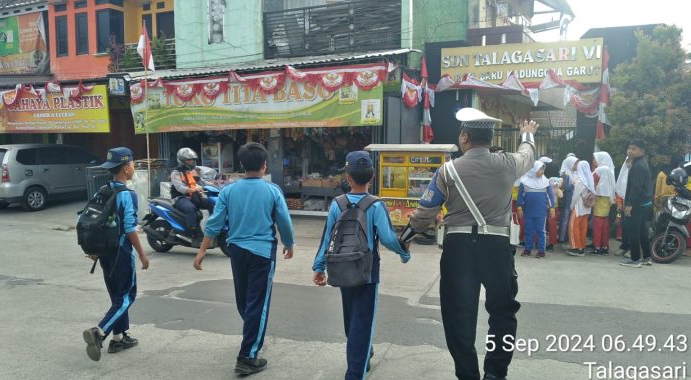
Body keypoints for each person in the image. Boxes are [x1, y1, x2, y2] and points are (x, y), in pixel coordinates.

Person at [403, 107, 538, 380]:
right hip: (497, 248)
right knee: (503, 313)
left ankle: (468, 375)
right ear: (489, 139)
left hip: (458, 248)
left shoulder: (448, 170)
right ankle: (495, 374)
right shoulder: (509, 164)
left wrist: (405, 238)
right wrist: (527, 135)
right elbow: (528, 155)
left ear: (464, 137)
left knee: (458, 317)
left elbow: (426, 211)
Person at [194, 142, 295, 375]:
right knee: (257, 304)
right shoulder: (272, 190)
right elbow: (284, 222)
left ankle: (251, 339)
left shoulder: (228, 191)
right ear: (264, 165)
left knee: (245, 301)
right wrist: (289, 244)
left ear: (241, 165)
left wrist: (202, 251)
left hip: (237, 251)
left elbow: (214, 223)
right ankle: (248, 356)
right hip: (262, 253)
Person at [312, 151, 411, 380]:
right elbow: (387, 238)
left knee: (351, 319)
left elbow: (327, 238)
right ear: (372, 176)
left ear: (348, 177)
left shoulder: (337, 204)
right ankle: (355, 373)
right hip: (367, 271)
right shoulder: (375, 205)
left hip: (341, 267)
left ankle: (362, 354)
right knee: (362, 322)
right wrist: (404, 253)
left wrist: (319, 268)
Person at [83, 147, 150, 362]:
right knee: (127, 296)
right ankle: (100, 332)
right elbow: (130, 228)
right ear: (124, 168)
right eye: (131, 164)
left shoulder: (102, 190)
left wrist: (93, 249)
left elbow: (89, 220)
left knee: (116, 295)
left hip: (104, 252)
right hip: (121, 252)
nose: (133, 168)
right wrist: (142, 254)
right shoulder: (127, 195)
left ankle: (119, 338)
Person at [620, 139, 654, 268]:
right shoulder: (641, 163)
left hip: (637, 204)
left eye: (634, 149)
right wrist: (630, 168)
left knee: (633, 231)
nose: (630, 151)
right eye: (629, 148)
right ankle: (646, 257)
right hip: (644, 203)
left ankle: (635, 259)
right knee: (642, 231)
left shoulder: (639, 165)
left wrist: (629, 205)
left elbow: (636, 187)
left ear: (641, 151)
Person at [170, 147, 213, 239]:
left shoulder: (192, 171)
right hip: (180, 198)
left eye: (193, 160)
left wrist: (215, 184)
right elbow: (179, 188)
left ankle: (215, 224)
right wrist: (194, 189)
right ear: (182, 160)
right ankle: (192, 231)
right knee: (191, 208)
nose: (192, 162)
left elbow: (202, 182)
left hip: (194, 197)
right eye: (189, 160)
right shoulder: (176, 172)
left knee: (212, 203)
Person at [517, 161, 555, 258]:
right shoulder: (524, 182)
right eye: (540, 169)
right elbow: (520, 195)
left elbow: (551, 196)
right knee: (528, 230)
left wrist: (552, 207)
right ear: (534, 170)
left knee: (540, 231)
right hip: (528, 210)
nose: (542, 171)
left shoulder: (546, 182)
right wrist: (519, 207)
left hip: (541, 211)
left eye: (543, 169)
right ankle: (527, 249)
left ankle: (542, 251)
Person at [565, 160, 595, 256]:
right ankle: (582, 247)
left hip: (578, 208)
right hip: (587, 209)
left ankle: (576, 248)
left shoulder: (580, 182)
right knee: (583, 228)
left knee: (573, 227)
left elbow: (575, 197)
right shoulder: (590, 180)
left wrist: (571, 206)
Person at [592, 151, 616, 255]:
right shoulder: (610, 170)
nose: (594, 161)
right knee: (605, 225)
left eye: (595, 159)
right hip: (607, 200)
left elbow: (591, 180)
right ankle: (605, 247)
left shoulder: (599, 169)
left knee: (597, 225)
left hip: (599, 199)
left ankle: (597, 247)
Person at [558, 154, 578, 243]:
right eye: (575, 164)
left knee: (568, 218)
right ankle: (562, 238)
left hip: (571, 200)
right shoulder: (565, 174)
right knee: (565, 219)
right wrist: (574, 184)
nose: (576, 166)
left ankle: (566, 237)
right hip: (567, 200)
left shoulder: (572, 173)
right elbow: (566, 187)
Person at [614, 157, 632, 256]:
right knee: (624, 227)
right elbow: (619, 191)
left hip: (634, 206)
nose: (628, 164)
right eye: (627, 162)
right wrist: (619, 203)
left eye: (631, 162)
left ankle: (631, 249)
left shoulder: (637, 174)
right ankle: (624, 247)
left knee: (632, 228)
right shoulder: (623, 175)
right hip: (624, 205)